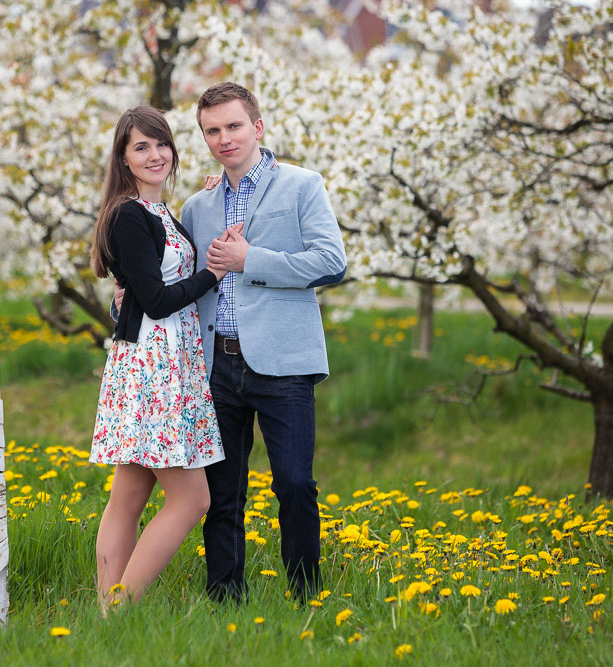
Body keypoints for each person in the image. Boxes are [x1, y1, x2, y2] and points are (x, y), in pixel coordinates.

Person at [183, 82, 347, 604]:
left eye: (234, 126)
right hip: (217, 366)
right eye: (213, 130)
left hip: (284, 363)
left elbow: (331, 262)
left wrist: (250, 260)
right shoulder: (197, 206)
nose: (224, 138)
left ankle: (306, 597)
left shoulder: (302, 185)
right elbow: (180, 277)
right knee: (222, 494)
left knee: (295, 483)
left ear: (257, 127)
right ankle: (225, 599)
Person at [88, 105, 228, 612]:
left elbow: (147, 284)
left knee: (128, 496)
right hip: (155, 367)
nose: (154, 155)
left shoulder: (160, 212)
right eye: (140, 147)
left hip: (166, 362)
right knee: (193, 501)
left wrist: (212, 194)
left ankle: (108, 619)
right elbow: (157, 299)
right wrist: (214, 272)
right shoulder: (128, 214)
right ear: (123, 159)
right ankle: (123, 606)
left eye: (160, 144)